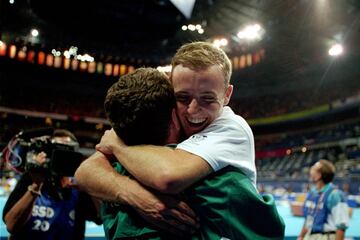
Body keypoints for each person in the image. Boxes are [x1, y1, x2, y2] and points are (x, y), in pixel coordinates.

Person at [76, 43, 284, 238]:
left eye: (208, 99)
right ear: (170, 86)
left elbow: (167, 177)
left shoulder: (231, 129)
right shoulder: (219, 185)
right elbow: (84, 173)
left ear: (227, 94)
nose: (193, 110)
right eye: (183, 98)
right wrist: (133, 195)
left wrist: (117, 146)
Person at [2, 129, 101, 240]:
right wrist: (36, 185)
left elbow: (100, 218)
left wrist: (89, 187)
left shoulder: (79, 186)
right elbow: (11, 225)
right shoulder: (32, 177)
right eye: (57, 151)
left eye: (67, 151)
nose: (62, 158)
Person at [297, 159, 350, 240]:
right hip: (309, 236)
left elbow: (341, 226)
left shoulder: (335, 195)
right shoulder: (311, 194)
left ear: (319, 175)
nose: (311, 169)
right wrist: (301, 237)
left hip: (326, 237)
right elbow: (308, 220)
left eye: (314, 167)